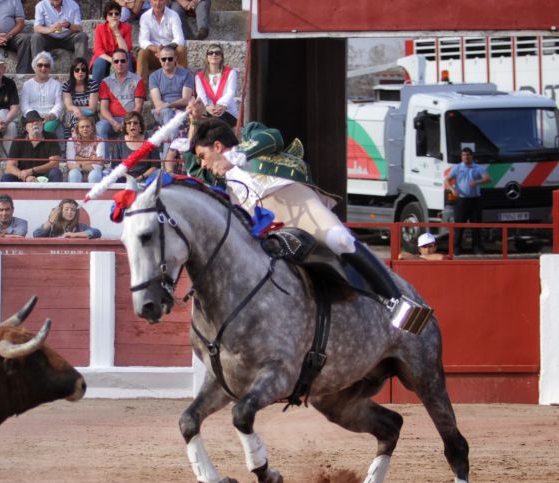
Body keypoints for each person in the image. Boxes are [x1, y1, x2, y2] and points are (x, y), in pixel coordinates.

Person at [190, 117, 430, 331]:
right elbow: (192, 176)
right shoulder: (218, 179)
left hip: (294, 201)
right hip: (261, 225)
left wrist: (237, 155)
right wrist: (194, 121)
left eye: (203, 156)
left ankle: (395, 301)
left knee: (341, 240)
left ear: (218, 147)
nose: (203, 164)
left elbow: (272, 137)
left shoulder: (249, 137)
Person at [447, 146, 491, 255]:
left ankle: (477, 248)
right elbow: (447, 180)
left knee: (476, 226)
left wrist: (477, 182)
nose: (466, 157)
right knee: (459, 226)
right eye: (464, 155)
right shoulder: (457, 168)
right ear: (461, 157)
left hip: (475, 200)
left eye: (468, 155)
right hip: (461, 201)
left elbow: (488, 179)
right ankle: (456, 248)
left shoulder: (477, 168)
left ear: (472, 156)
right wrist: (452, 189)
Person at [97, 47, 144, 140]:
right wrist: (114, 123)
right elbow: (103, 109)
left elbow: (139, 107)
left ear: (127, 62)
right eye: (116, 61)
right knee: (100, 127)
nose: (119, 64)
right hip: (112, 120)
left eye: (122, 61)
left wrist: (127, 122)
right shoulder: (105, 82)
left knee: (134, 126)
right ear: (112, 63)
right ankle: (103, 151)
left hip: (131, 120)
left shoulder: (138, 80)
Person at [0, 111, 61, 182]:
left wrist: (32, 170)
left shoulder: (51, 137)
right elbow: (10, 166)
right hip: (23, 177)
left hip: (44, 177)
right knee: (7, 178)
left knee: (55, 173)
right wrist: (25, 176)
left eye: (37, 121)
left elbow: (54, 164)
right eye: (31, 122)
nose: (35, 123)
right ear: (26, 127)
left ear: (42, 123)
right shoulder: (18, 140)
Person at [20, 51, 63, 140]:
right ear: (35, 67)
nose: (43, 68)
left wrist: (51, 115)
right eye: (40, 65)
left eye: (46, 65)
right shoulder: (27, 85)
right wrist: (35, 117)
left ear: (50, 68)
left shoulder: (56, 84)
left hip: (50, 118)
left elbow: (59, 104)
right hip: (32, 118)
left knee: (48, 127)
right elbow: (24, 105)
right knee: (34, 128)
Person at [137, 0, 186, 79]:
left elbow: (179, 39)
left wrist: (165, 49)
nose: (157, 3)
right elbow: (143, 41)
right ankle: (141, 84)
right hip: (154, 54)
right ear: (150, 1)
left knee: (180, 49)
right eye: (155, 0)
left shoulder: (173, 15)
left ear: (165, 1)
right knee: (142, 53)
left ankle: (182, 80)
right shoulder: (145, 17)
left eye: (161, 0)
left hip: (171, 54)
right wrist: (156, 49)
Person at [148, 43, 193, 127]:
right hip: (163, 111)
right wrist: (173, 109)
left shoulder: (186, 74)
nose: (167, 62)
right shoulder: (154, 76)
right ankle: (172, 135)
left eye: (170, 59)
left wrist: (169, 105)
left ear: (175, 58)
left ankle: (170, 135)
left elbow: (186, 100)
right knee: (168, 113)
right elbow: (158, 103)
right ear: (159, 59)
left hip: (182, 111)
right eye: (164, 59)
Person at [31, 0, 86, 65]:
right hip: (49, 38)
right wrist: (51, 29)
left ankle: (80, 66)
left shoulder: (73, 5)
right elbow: (36, 28)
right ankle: (37, 67)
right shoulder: (41, 5)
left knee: (82, 36)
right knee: (36, 37)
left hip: (68, 38)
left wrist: (69, 25)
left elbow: (79, 28)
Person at [195, 42, 237, 126]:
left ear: (221, 57)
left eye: (217, 53)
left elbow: (231, 92)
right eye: (210, 53)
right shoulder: (199, 76)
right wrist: (207, 107)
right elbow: (201, 95)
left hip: (227, 110)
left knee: (217, 121)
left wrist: (222, 106)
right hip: (209, 110)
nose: (214, 55)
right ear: (207, 57)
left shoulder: (231, 73)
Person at [110, 111, 158, 183]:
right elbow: (115, 166)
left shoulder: (150, 141)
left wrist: (142, 177)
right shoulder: (119, 142)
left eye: (135, 123)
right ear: (126, 127)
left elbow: (155, 166)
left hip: (145, 177)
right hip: (124, 178)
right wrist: (129, 178)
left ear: (140, 126)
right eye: (129, 123)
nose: (132, 125)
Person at [91, 1, 132, 85]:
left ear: (120, 16)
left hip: (120, 57)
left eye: (116, 13)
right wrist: (111, 60)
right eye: (110, 14)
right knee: (99, 62)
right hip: (105, 57)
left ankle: (129, 88)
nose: (114, 16)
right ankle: (95, 90)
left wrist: (116, 31)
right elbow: (98, 49)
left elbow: (125, 50)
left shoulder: (126, 28)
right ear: (106, 16)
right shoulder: (100, 28)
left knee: (127, 57)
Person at [61, 57, 97, 138]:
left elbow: (92, 108)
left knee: (75, 117)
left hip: (89, 114)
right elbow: (68, 107)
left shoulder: (92, 85)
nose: (80, 72)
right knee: (71, 117)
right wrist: (75, 109)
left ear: (87, 72)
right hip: (72, 114)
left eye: (83, 69)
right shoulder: (67, 85)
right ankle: (72, 140)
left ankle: (75, 138)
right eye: (77, 70)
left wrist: (76, 109)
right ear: (72, 72)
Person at [33, 198, 100, 238]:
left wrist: (75, 235)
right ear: (60, 210)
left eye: (73, 210)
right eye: (66, 209)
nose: (69, 212)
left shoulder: (80, 227)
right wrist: (50, 221)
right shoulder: (52, 226)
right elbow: (36, 234)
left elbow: (96, 232)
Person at [65, 116, 103, 183]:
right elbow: (70, 164)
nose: (85, 129)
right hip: (78, 170)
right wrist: (91, 160)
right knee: (74, 174)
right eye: (82, 127)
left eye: (87, 126)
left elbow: (99, 163)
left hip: (93, 170)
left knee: (94, 175)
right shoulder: (71, 141)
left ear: (92, 128)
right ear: (78, 129)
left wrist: (79, 162)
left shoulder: (100, 140)